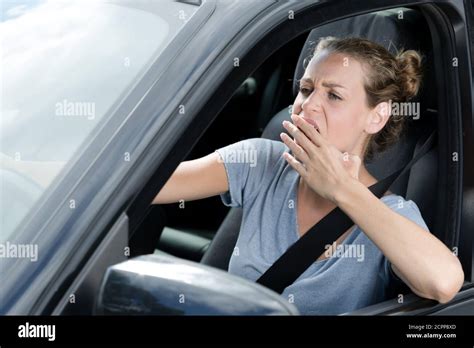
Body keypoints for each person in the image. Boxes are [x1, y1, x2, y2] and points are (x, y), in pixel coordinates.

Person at [152, 37, 464, 314]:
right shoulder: (261, 162)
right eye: (306, 89)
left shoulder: (392, 214)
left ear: (377, 116)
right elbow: (142, 185)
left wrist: (342, 189)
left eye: (334, 96)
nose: (307, 105)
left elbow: (444, 283)